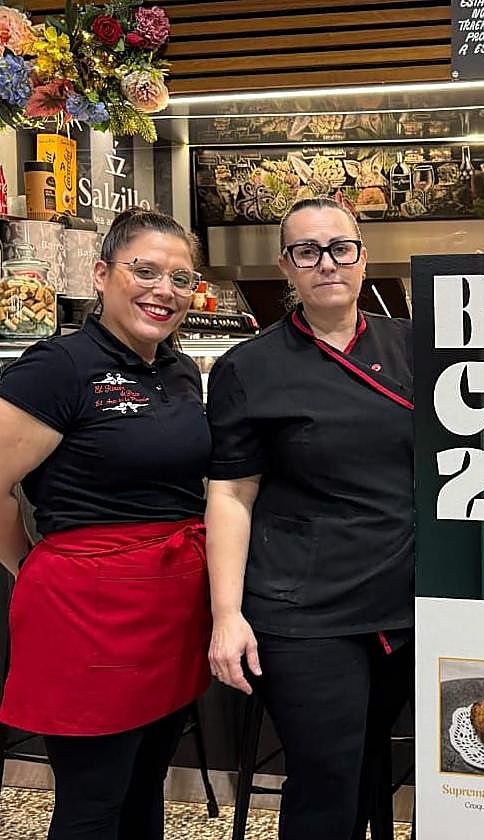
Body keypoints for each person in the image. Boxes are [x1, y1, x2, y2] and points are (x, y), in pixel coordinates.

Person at [205, 197, 414, 840]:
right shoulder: (250, 367)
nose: (327, 263)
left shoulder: (414, 344)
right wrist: (226, 615)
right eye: (307, 251)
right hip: (304, 611)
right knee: (327, 780)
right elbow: (231, 493)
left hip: (406, 603)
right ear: (285, 267)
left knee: (373, 766)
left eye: (340, 248)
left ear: (363, 257)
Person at [0, 208, 211, 839]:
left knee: (145, 788)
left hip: (171, 607)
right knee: (93, 804)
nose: (164, 290)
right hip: (87, 612)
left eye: (180, 279)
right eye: (145, 271)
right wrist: (28, 562)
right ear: (100, 274)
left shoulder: (179, 370)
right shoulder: (57, 367)